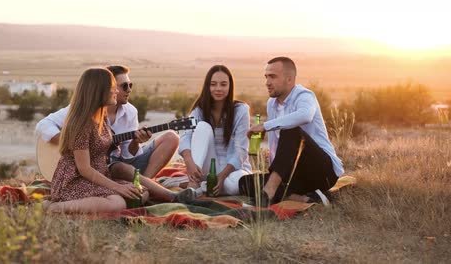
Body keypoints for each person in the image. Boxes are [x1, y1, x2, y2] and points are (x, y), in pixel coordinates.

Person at [36, 65, 195, 203]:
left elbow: (127, 155)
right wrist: (74, 146)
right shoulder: (85, 111)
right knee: (120, 169)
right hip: (98, 167)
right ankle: (164, 194)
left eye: (130, 85)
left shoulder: (130, 111)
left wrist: (135, 143)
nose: (129, 90)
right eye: (124, 86)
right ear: (104, 88)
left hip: (115, 162)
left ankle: (143, 187)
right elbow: (43, 125)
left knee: (171, 137)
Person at [245, 57, 344, 206]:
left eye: (273, 76)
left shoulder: (304, 96)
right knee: (245, 183)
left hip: (323, 171)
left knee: (290, 131)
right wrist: (275, 171)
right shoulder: (271, 103)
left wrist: (265, 125)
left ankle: (267, 196)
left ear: (289, 79)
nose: (267, 82)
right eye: (266, 77)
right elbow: (274, 143)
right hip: (296, 173)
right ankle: (308, 198)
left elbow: (305, 115)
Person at [44, 67, 145, 213]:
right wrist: (117, 187)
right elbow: (84, 169)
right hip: (76, 180)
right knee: (117, 203)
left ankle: (100, 203)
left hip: (98, 176)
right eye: (112, 88)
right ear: (99, 91)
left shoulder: (101, 118)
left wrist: (136, 142)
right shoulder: (82, 123)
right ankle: (54, 208)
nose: (117, 91)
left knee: (141, 192)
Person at [179, 65, 252, 196]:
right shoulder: (200, 110)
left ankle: (204, 187)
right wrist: (189, 162)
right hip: (207, 166)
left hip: (232, 169)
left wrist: (222, 176)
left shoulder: (241, 110)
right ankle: (195, 183)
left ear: (230, 87)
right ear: (208, 86)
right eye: (213, 84)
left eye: (223, 84)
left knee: (234, 186)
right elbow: (186, 136)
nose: (218, 88)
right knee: (202, 127)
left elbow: (241, 151)